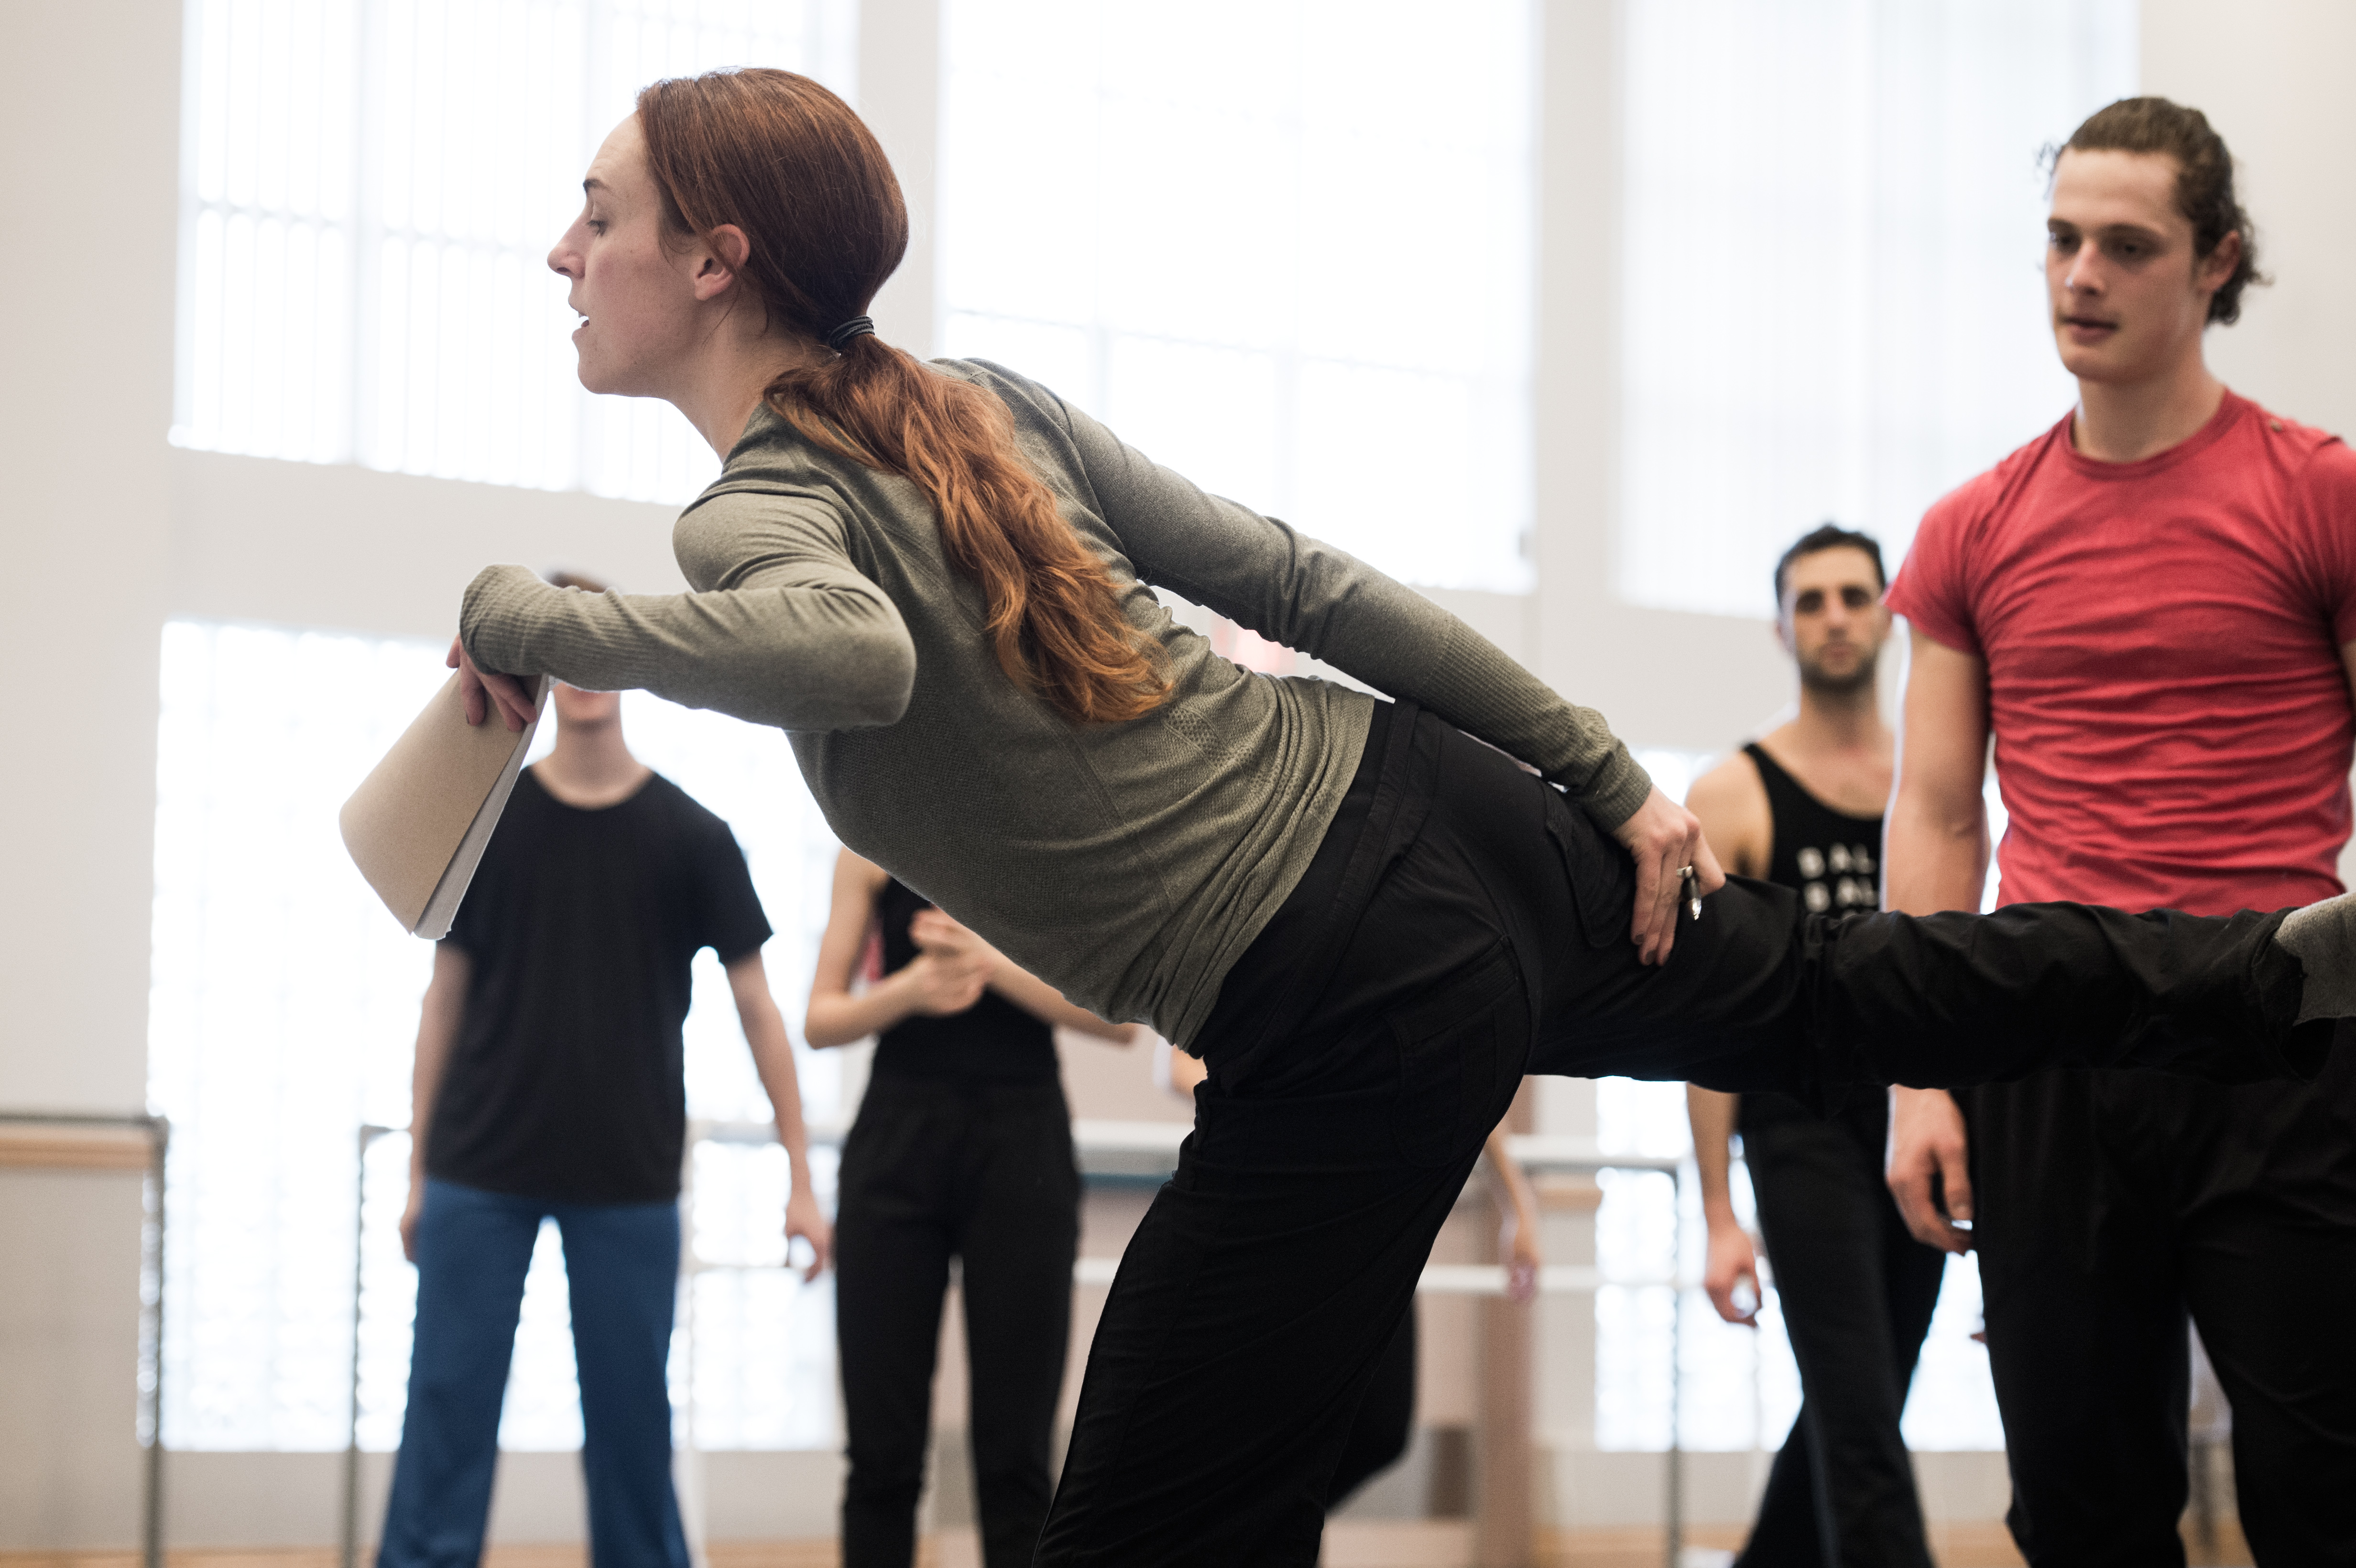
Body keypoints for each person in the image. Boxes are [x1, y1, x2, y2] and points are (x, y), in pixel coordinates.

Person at [442, 70, 2356, 1564]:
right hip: (1444, 812)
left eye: (589, 216)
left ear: (713, 256)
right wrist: (1594, 771)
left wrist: (526, 609)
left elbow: (847, 654)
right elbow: (1301, 580)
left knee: (1128, 1527)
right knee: (1840, 991)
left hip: (1340, 980)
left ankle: (2241, 973)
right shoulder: (973, 402)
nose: (560, 254)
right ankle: (2245, 972)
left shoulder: (753, 508)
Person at [1882, 97, 2356, 1565]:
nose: (2079, 275)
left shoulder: (2318, 494)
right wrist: (1918, 1078)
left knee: (2323, 1491)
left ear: (2214, 263)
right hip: (2054, 1033)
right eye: (2059, 240)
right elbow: (1939, 809)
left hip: (2281, 1029)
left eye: (2124, 246)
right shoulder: (1972, 526)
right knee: (2081, 1507)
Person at [387, 585, 831, 1568]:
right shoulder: (486, 826)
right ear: (538, 672)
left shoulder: (694, 838)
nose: (583, 672)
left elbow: (759, 1013)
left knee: (633, 1435)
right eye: (561, 651)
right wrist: (420, 1172)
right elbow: (441, 1002)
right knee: (445, 1416)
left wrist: (800, 1177)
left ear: (629, 662)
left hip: (627, 1180)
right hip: (478, 1172)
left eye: (598, 648)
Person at [1683, 526, 1944, 1568]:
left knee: (1860, 1402)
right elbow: (1706, 1023)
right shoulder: (1735, 793)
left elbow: (1970, 987)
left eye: (1852, 596)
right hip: (1800, 1135)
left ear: (1886, 613)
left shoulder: (1935, 789)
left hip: (1919, 1122)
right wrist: (1715, 1211)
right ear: (1782, 625)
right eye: (1810, 600)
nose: (1834, 616)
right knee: (1861, 1421)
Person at [805, 848, 1135, 1568]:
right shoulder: (867, 844)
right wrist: (911, 990)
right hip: (896, 1139)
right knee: (881, 1457)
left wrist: (992, 959)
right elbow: (820, 1019)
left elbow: (1121, 1020)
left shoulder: (1049, 842)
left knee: (1015, 1457)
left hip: (1022, 1149)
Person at [1158, 1045, 1544, 1515]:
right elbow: (1175, 1066)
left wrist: (1516, 1203)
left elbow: (1466, 1070)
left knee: (1379, 1429)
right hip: (1282, 1217)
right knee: (1286, 1434)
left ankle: (1256, 1530)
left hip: (1378, 1222)